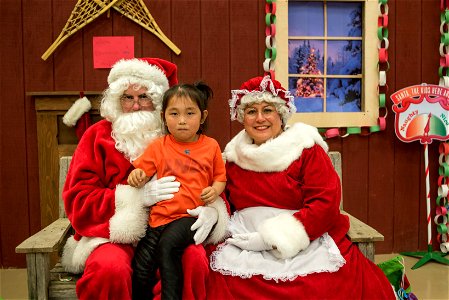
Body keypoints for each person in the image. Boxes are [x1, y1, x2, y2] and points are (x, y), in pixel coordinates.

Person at [179, 75, 396, 299]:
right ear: (242, 118)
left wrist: (272, 239)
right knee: (219, 279)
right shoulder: (233, 157)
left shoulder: (305, 149)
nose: (260, 118)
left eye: (268, 110)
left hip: (303, 238)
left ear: (281, 115)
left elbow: (325, 203)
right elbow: (223, 197)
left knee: (316, 286)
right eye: (251, 111)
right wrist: (213, 211)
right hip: (245, 239)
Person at [61, 58, 229, 300]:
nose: (136, 105)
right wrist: (134, 198)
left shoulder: (179, 131)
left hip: (173, 228)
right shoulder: (96, 137)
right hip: (112, 235)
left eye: (144, 97)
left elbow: (212, 179)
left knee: (193, 261)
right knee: (109, 269)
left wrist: (213, 211)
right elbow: (78, 199)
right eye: (128, 98)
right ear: (117, 101)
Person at [128, 82, 227, 299]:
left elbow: (221, 177)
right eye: (174, 113)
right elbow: (141, 173)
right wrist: (136, 177)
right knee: (142, 266)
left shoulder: (211, 146)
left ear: (202, 116)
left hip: (190, 217)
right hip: (159, 219)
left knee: (169, 247)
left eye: (190, 113)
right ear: (164, 116)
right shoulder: (159, 146)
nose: (182, 120)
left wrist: (215, 190)